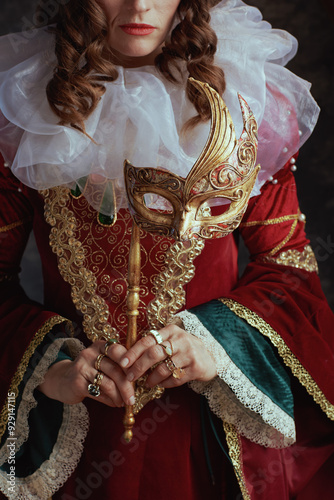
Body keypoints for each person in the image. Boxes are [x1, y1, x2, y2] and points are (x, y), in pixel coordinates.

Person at [0, 0, 333, 499]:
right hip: (73, 434)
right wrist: (53, 369)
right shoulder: (24, 106)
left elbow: (289, 267)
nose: (139, 4)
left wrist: (213, 344)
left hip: (204, 437)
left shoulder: (246, 99)